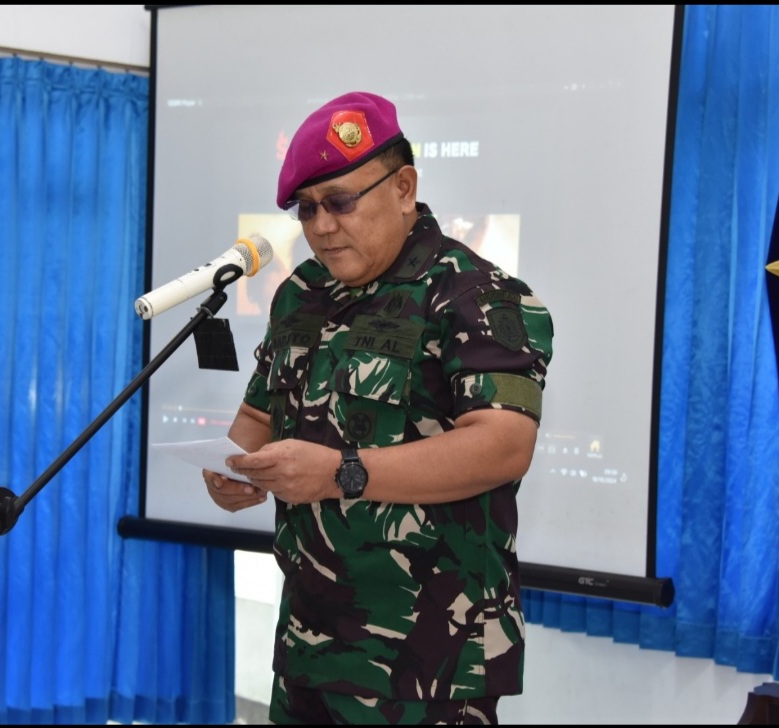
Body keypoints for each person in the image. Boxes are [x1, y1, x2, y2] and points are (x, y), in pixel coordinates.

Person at [203, 91, 554, 725]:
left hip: (431, 662)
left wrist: (342, 472)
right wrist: (235, 468)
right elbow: (257, 418)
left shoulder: (474, 294)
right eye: (306, 210)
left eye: (340, 202)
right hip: (308, 644)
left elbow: (503, 444)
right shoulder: (301, 294)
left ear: (403, 187)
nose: (321, 227)